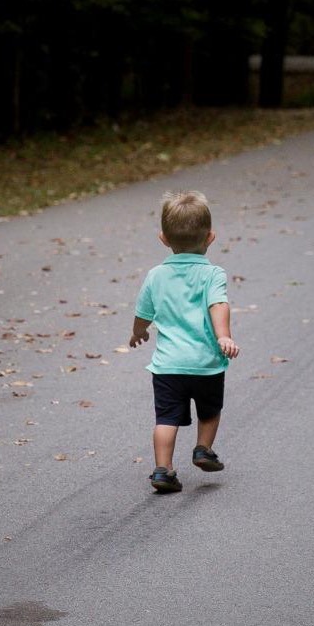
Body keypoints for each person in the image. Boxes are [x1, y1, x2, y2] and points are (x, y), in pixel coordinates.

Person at [129, 190, 240, 492]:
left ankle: (163, 470)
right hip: (205, 364)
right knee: (210, 410)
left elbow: (143, 313)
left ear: (163, 238)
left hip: (167, 366)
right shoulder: (213, 273)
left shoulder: (156, 275)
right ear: (211, 237)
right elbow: (218, 304)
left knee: (166, 418)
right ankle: (203, 449)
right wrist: (224, 336)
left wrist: (138, 333)